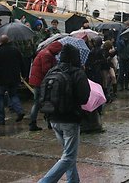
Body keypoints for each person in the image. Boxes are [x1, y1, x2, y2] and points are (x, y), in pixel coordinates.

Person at [38, 44, 90, 183]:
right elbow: (84, 98)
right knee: (69, 157)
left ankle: (73, 181)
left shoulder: (52, 70)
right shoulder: (78, 73)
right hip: (70, 119)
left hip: (53, 117)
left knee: (67, 154)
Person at [0, 35, 25, 125]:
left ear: (0, 42)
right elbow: (22, 63)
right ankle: (19, 111)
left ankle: (1, 119)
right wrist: (24, 75)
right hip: (14, 78)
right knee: (13, 95)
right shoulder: (16, 51)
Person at [28, 41, 63, 131]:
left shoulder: (45, 52)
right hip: (41, 82)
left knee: (39, 102)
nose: (59, 52)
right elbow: (46, 70)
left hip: (38, 81)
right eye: (58, 51)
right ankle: (34, 123)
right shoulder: (47, 55)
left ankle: (41, 122)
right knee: (42, 102)